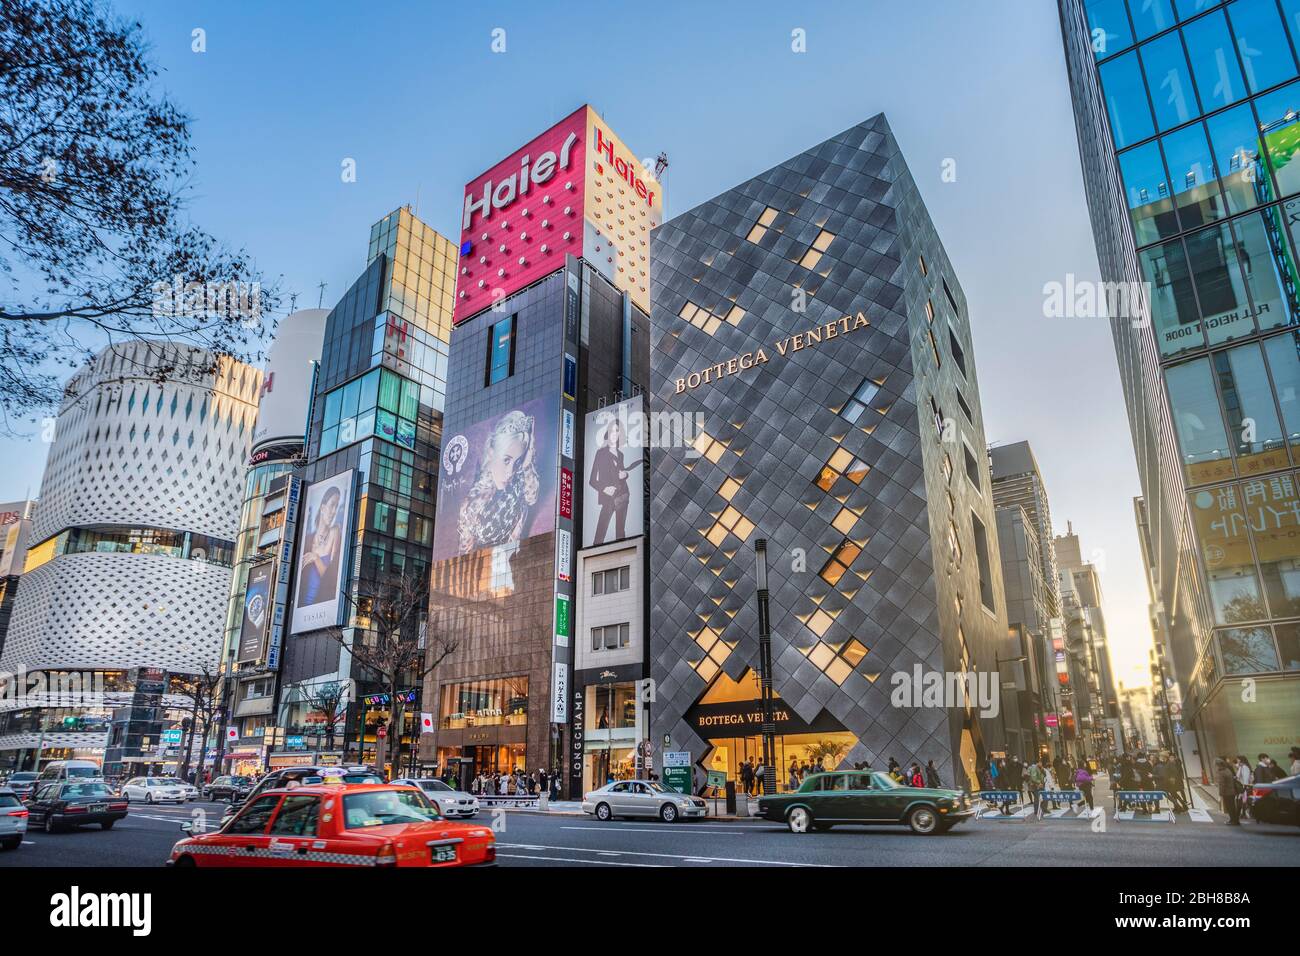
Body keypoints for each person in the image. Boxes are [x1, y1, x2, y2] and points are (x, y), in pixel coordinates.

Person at [456, 409, 542, 555]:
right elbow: (464, 554)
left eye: (517, 461)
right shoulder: (471, 505)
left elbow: (532, 498)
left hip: (511, 557)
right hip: (485, 566)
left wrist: (527, 461)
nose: (510, 472)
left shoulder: (519, 478)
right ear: (491, 453)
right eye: (506, 460)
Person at [588, 415, 635, 545]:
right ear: (608, 433)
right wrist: (604, 488)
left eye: (617, 431)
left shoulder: (621, 455)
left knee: (620, 534)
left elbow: (620, 473)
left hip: (624, 495)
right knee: (599, 538)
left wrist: (625, 475)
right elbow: (591, 480)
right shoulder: (601, 453)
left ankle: (623, 561)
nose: (615, 434)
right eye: (612, 430)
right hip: (608, 498)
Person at [1216, 758, 1241, 825]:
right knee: (1232, 806)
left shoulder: (1221, 772)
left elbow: (1222, 784)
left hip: (1226, 792)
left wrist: (1220, 793)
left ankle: (1233, 820)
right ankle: (1235, 820)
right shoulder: (1227, 770)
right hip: (1232, 791)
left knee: (1229, 807)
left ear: (1218, 765)